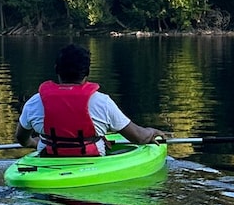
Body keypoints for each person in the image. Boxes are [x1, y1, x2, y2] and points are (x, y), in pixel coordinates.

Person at [16, 43, 167, 157]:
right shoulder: (102, 102)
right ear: (87, 73)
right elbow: (139, 137)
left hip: (47, 162)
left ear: (56, 69)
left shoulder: (35, 102)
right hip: (91, 161)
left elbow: (21, 137)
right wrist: (151, 131)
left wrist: (31, 143)